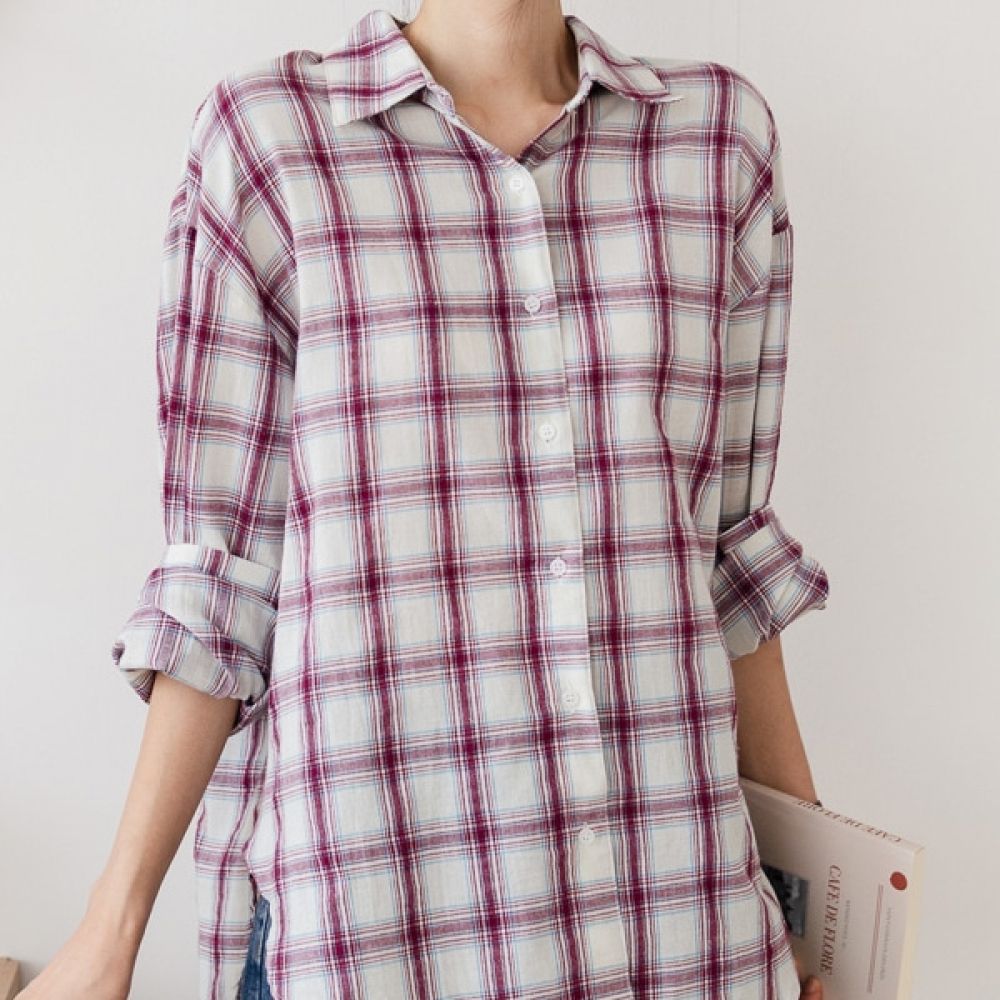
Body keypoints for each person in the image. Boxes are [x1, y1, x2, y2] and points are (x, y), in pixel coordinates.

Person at [19, 1, 829, 998]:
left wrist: (818, 920)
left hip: (679, 936)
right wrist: (112, 930)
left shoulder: (716, 142)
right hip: (375, 941)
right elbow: (221, 591)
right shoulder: (269, 142)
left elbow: (729, 570)